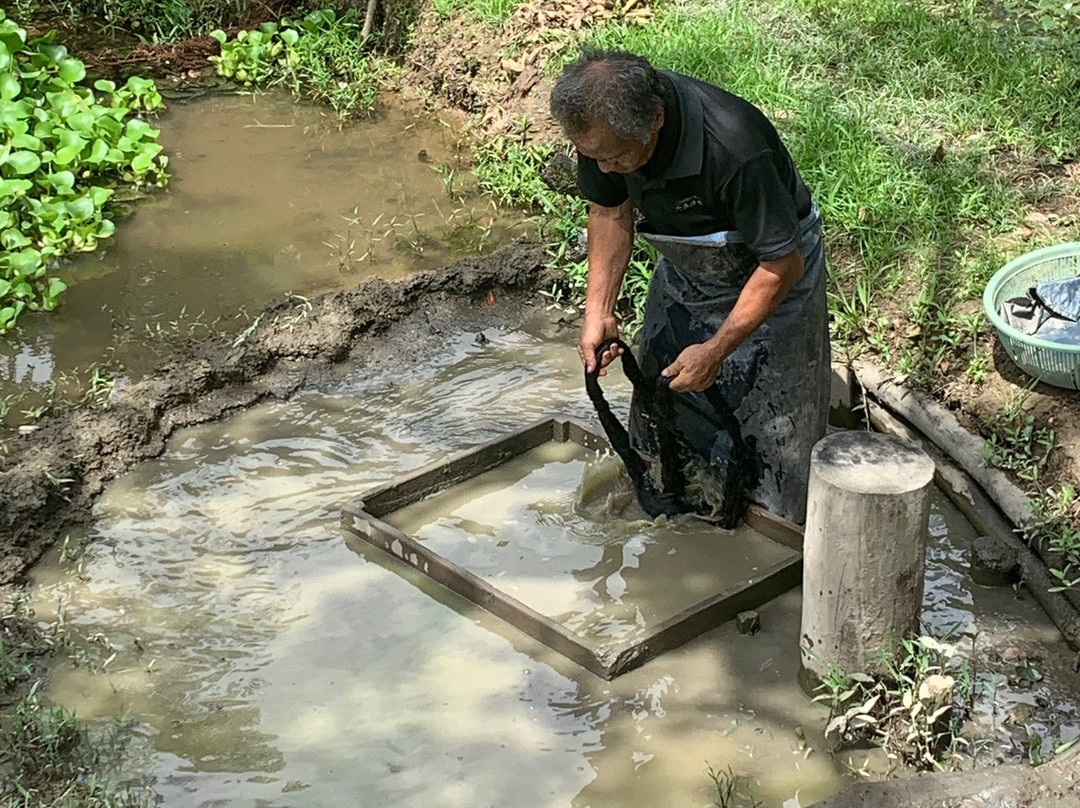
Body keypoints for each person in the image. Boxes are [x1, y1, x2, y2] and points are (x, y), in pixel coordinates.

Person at [549, 49, 830, 524]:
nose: (606, 168)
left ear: (656, 120)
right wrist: (599, 310)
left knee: (774, 449)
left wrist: (716, 350)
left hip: (773, 277)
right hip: (688, 271)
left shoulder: (736, 145)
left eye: (614, 157)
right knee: (664, 419)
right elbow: (609, 211)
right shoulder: (600, 134)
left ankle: (764, 536)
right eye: (596, 158)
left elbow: (781, 265)